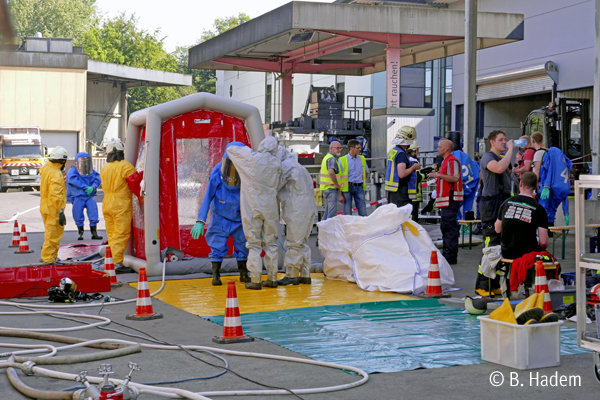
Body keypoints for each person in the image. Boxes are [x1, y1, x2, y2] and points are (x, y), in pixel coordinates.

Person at [227, 136, 282, 290]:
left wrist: (245, 147)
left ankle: (256, 279)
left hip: (252, 206)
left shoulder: (251, 158)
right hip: (270, 208)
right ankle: (272, 278)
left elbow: (231, 149)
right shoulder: (276, 163)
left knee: (254, 244)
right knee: (271, 243)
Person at [191, 142, 249, 286]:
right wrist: (200, 220)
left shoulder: (248, 173)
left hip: (240, 217)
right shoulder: (217, 173)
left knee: (243, 246)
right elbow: (208, 196)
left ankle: (243, 274)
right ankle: (216, 276)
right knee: (217, 246)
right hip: (220, 217)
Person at [475, 130, 513, 294]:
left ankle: (494, 284)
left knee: (500, 246)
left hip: (502, 202)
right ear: (492, 142)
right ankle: (482, 285)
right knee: (491, 245)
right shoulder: (488, 157)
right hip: (491, 204)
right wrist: (511, 149)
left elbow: (507, 170)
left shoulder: (500, 158)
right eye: (501, 140)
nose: (504, 143)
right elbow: (498, 169)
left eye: (505, 140)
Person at [276, 146, 318, 286]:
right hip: (309, 208)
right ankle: (305, 275)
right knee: (303, 243)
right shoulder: (300, 167)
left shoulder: (285, 166)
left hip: (297, 209)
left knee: (293, 243)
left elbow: (275, 186)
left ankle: (292, 275)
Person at [100, 138, 137, 274]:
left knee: (112, 234)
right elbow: (136, 184)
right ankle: (116, 263)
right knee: (121, 234)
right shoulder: (126, 166)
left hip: (107, 204)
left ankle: (111, 260)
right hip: (120, 205)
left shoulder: (105, 168)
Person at [495, 172, 549, 260]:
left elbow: (497, 229)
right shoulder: (539, 209)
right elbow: (543, 243)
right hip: (527, 254)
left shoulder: (506, 203)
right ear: (535, 187)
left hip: (506, 252)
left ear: (520, 184)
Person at [428, 139, 463, 264]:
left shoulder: (451, 161)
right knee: (446, 227)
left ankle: (450, 256)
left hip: (450, 199)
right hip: (447, 199)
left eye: (439, 147)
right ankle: (448, 254)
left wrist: (438, 175)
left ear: (446, 149)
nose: (438, 149)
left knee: (449, 228)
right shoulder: (446, 161)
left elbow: (454, 178)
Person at [40, 146, 68, 264]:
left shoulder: (47, 168)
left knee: (49, 232)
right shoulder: (56, 174)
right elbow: (56, 194)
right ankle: (48, 259)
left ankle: (52, 257)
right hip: (53, 207)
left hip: (45, 205)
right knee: (53, 234)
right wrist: (60, 211)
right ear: (63, 161)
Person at [66, 152, 103, 241]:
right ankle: (80, 233)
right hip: (78, 197)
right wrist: (85, 187)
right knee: (78, 215)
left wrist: (93, 187)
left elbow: (97, 179)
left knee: (93, 214)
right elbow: (73, 180)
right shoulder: (73, 171)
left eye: (86, 161)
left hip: (89, 197)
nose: (84, 164)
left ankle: (94, 233)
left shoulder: (92, 172)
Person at [385, 126, 421, 209]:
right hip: (401, 191)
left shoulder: (394, 151)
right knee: (402, 217)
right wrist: (413, 167)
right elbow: (402, 174)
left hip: (394, 190)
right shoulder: (401, 154)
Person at [538, 146, 572, 228]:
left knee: (544, 211)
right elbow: (564, 194)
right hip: (555, 192)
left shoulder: (551, 154)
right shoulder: (561, 159)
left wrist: (546, 186)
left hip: (546, 189)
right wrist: (566, 212)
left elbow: (549, 170)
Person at [340, 139, 368, 216]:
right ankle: (348, 227)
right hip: (347, 187)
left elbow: (366, 172)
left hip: (359, 186)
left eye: (360, 147)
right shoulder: (342, 160)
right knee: (347, 212)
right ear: (351, 148)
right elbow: (338, 176)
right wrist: (340, 193)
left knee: (363, 211)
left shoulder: (362, 158)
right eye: (358, 148)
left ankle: (363, 227)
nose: (360, 149)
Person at [452, 148, 480, 221]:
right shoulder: (471, 162)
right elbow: (478, 172)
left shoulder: (452, 159)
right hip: (470, 185)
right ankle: (466, 228)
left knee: (456, 208)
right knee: (467, 210)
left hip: (459, 187)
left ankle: (457, 225)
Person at [319, 141, 344, 220]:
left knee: (327, 212)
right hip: (331, 188)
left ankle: (322, 230)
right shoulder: (331, 159)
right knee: (331, 213)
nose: (339, 150)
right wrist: (336, 184)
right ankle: (328, 231)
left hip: (325, 188)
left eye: (340, 148)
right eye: (337, 148)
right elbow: (331, 172)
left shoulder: (326, 158)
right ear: (331, 148)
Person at [406, 141, 423, 222]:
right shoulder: (414, 161)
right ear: (413, 151)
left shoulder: (407, 159)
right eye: (417, 150)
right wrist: (426, 175)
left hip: (408, 193)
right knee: (413, 218)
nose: (418, 152)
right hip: (414, 194)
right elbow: (417, 177)